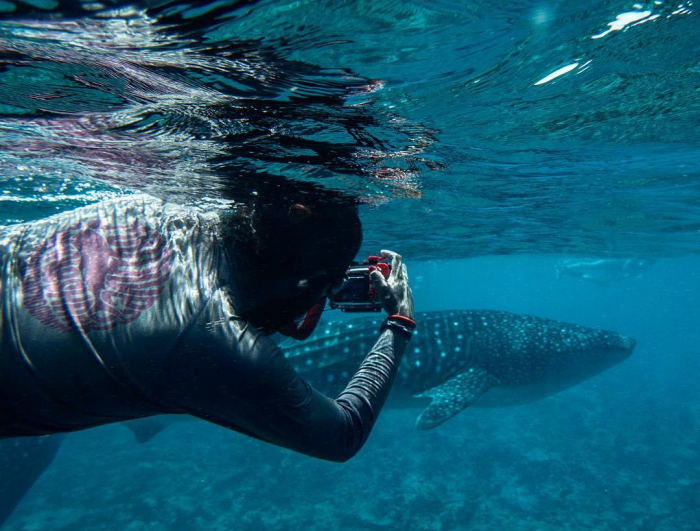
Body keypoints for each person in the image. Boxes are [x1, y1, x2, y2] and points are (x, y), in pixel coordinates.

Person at [0, 180, 414, 462]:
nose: (323, 301)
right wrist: (399, 322)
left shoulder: (155, 208)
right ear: (300, 281)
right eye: (326, 288)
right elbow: (341, 437)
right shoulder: (210, 338)